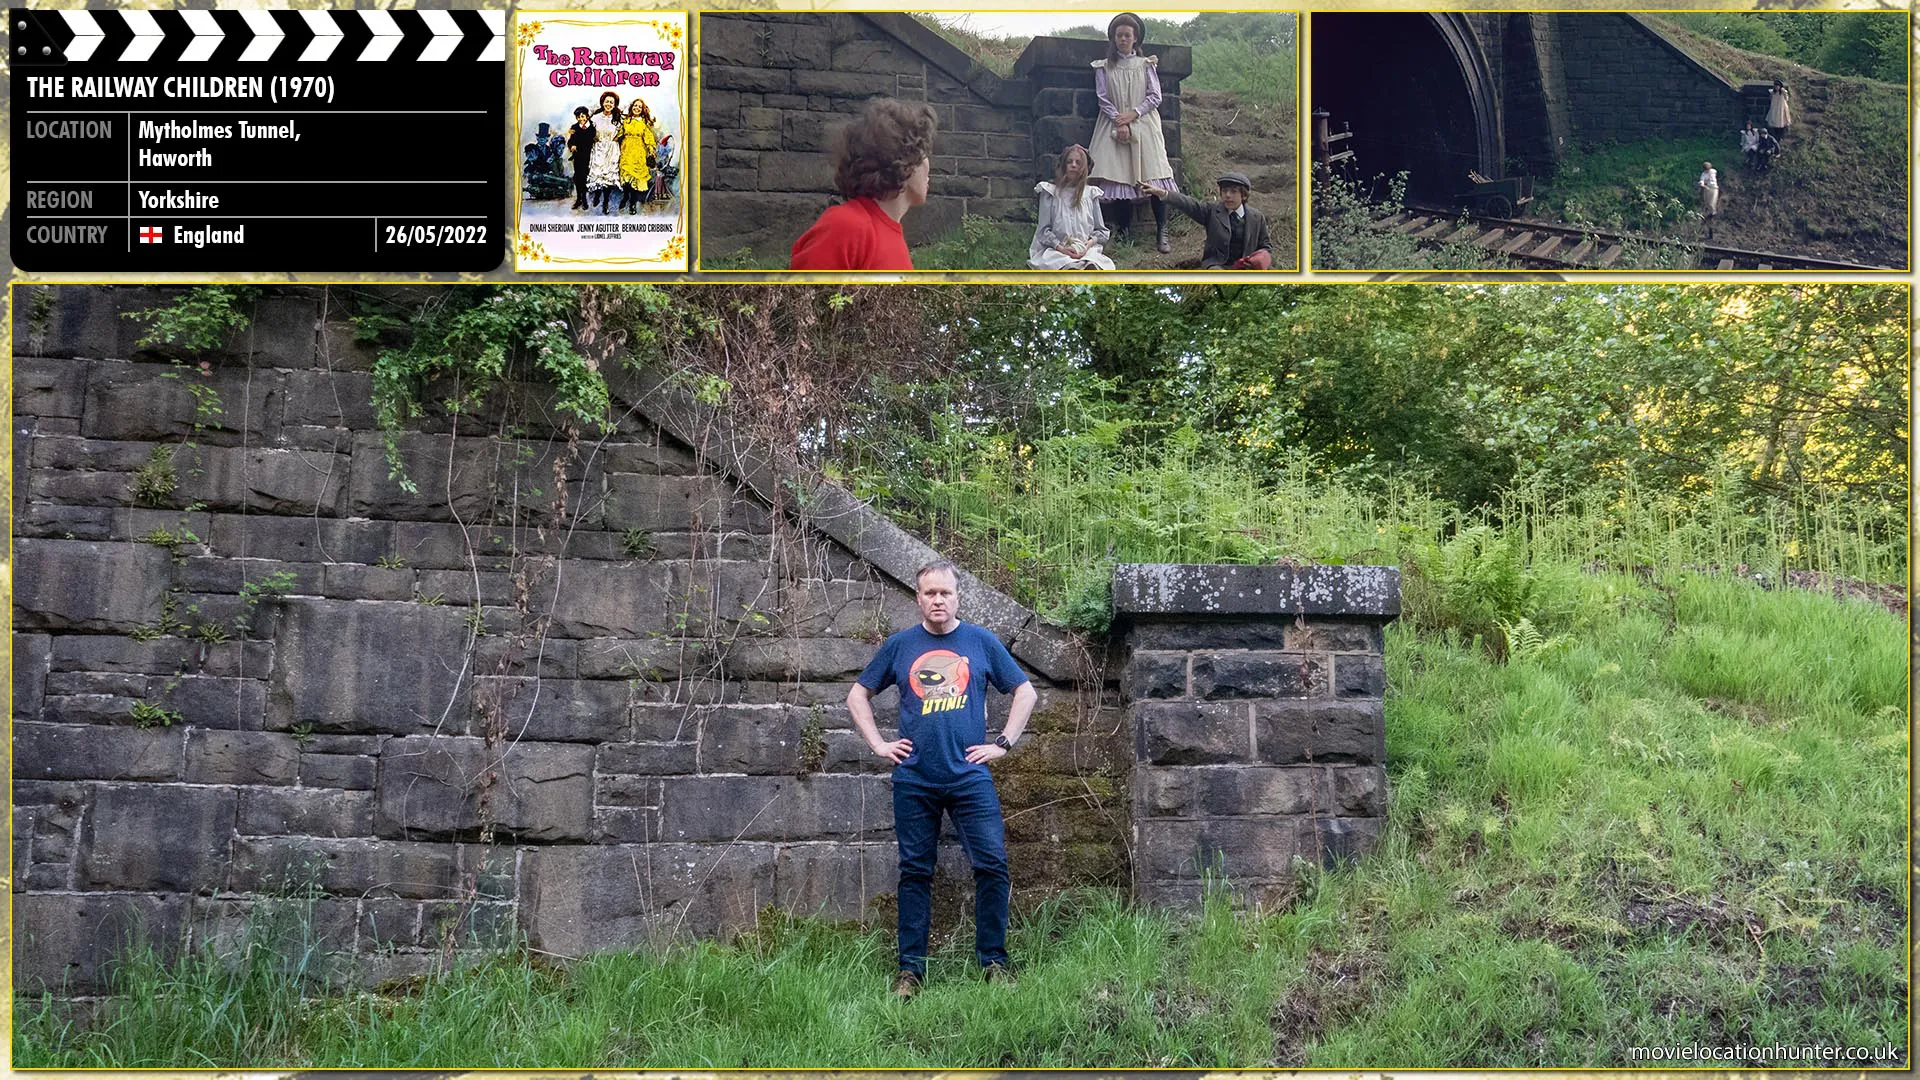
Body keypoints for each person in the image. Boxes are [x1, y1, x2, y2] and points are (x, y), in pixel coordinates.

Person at [847, 559, 1037, 1000]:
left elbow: (1025, 691)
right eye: (930, 593)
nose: (938, 600)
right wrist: (878, 744)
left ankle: (994, 960)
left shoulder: (980, 642)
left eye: (945, 593)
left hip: (970, 777)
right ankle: (910, 971)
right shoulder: (900, 646)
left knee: (992, 864)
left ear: (957, 596)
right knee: (915, 871)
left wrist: (1003, 744)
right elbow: (858, 694)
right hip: (914, 779)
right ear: (918, 598)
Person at [790, 97, 936, 271]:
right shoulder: (847, 226)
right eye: (922, 152)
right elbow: (802, 296)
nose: (928, 165)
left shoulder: (890, 236)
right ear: (904, 161)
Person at [1086, 12, 1178, 253]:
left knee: (1153, 173)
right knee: (1118, 176)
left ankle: (1161, 230)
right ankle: (1124, 232)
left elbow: (1155, 96)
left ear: (1135, 38)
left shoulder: (1146, 64)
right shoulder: (1104, 67)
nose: (1123, 39)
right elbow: (1103, 98)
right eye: (1119, 35)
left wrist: (1133, 114)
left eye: (1128, 35)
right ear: (1114, 38)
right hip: (1111, 123)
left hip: (1145, 123)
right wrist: (1119, 120)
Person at [1142, 171, 1273, 269]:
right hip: (1217, 266)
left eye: (1233, 192)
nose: (1227, 195)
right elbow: (1188, 204)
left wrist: (1259, 259)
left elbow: (1266, 247)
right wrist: (1162, 193)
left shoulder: (1256, 217)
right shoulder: (1212, 211)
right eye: (1224, 191)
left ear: (1243, 195)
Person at [1028, 144, 1114, 270]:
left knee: (1092, 265)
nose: (1073, 165)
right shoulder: (1051, 192)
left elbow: (1101, 231)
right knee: (1065, 265)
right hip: (1057, 249)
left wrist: (1087, 245)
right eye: (1069, 162)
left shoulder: (1090, 194)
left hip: (1085, 250)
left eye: (1078, 163)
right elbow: (1043, 231)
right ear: (1063, 165)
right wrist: (1061, 248)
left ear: (1084, 168)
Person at [587, 91, 625, 215]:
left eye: (611, 102)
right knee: (598, 174)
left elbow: (623, 132)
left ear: (615, 105)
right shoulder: (595, 117)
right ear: (603, 102)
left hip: (612, 149)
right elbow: (588, 131)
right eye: (607, 101)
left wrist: (617, 138)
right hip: (598, 149)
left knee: (608, 176)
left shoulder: (618, 118)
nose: (609, 104)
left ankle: (606, 203)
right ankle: (597, 194)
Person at [618, 98, 659, 214]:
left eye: (639, 107)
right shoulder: (626, 121)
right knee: (626, 180)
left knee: (635, 181)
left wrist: (651, 150)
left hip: (639, 154)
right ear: (632, 107)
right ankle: (625, 197)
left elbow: (649, 139)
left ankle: (632, 204)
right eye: (635, 106)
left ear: (642, 110)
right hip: (626, 153)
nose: (637, 108)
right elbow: (619, 134)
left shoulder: (644, 124)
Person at [566, 106, 595, 210]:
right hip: (578, 156)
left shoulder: (591, 127)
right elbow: (570, 141)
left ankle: (584, 199)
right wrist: (571, 146)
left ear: (587, 116)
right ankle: (579, 199)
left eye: (582, 116)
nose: (581, 119)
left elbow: (590, 139)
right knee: (578, 178)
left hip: (588, 156)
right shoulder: (574, 127)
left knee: (585, 177)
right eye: (578, 117)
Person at [1696, 160, 1718, 237]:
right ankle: (1709, 212)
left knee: (1712, 202)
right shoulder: (1704, 174)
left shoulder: (1713, 171)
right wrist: (1703, 185)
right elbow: (1701, 181)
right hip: (1708, 189)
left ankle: (1712, 213)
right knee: (1708, 203)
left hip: (1714, 188)